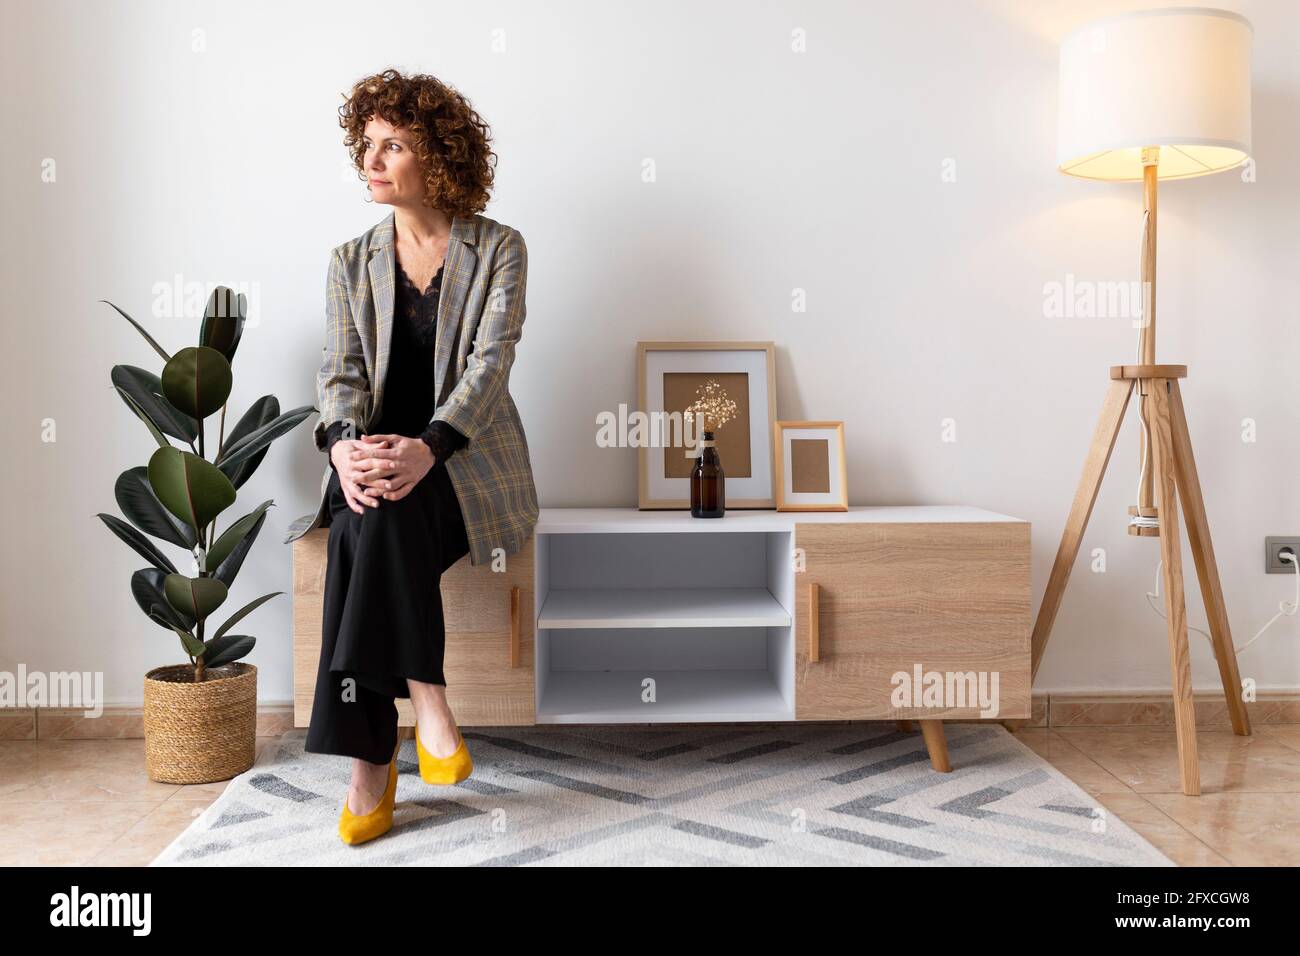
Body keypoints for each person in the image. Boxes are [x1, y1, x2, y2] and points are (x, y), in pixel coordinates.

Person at [285, 69, 539, 845]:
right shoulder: (347, 260)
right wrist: (339, 451)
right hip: (368, 457)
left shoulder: (498, 248)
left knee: (372, 526)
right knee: (369, 508)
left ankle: (372, 768)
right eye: (366, 145)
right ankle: (426, 699)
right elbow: (340, 376)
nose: (371, 160)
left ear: (438, 156)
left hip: (462, 465)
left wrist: (429, 448)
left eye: (392, 145)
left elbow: (489, 368)